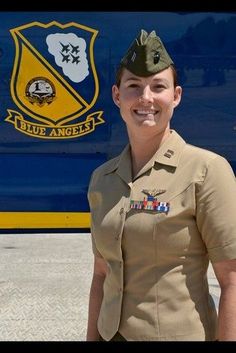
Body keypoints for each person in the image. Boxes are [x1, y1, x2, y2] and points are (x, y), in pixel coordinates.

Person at [86, 29, 236, 341]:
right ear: (117, 95)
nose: (146, 98)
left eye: (158, 87)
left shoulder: (206, 170)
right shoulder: (103, 179)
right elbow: (102, 273)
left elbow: (231, 278)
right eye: (134, 87)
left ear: (176, 96)